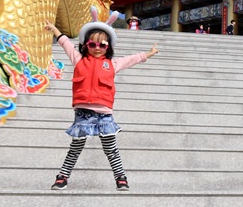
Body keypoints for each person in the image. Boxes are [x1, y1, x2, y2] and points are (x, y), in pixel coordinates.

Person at [44, 13, 158, 191]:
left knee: (111, 149)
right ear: (85, 45)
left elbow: (131, 60)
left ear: (108, 46)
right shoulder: (79, 59)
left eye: (102, 44)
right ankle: (62, 177)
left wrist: (148, 54)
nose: (97, 47)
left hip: (104, 113)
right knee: (75, 147)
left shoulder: (112, 63)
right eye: (92, 44)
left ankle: (120, 178)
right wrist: (55, 30)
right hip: (83, 112)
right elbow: (66, 43)